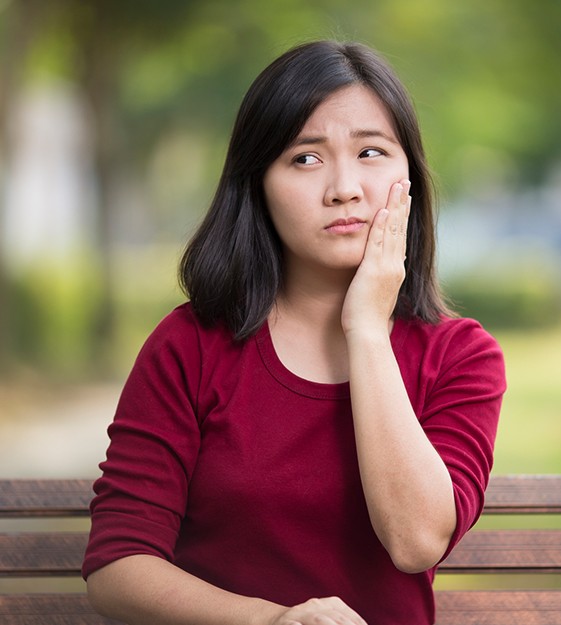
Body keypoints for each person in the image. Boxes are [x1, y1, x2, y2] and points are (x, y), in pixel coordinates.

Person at [83, 40, 506, 625]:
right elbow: (117, 568)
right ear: (257, 183)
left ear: (409, 175)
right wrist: (272, 621)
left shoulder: (461, 356)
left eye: (372, 152)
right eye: (305, 158)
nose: (344, 188)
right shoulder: (190, 345)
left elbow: (415, 542)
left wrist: (365, 329)